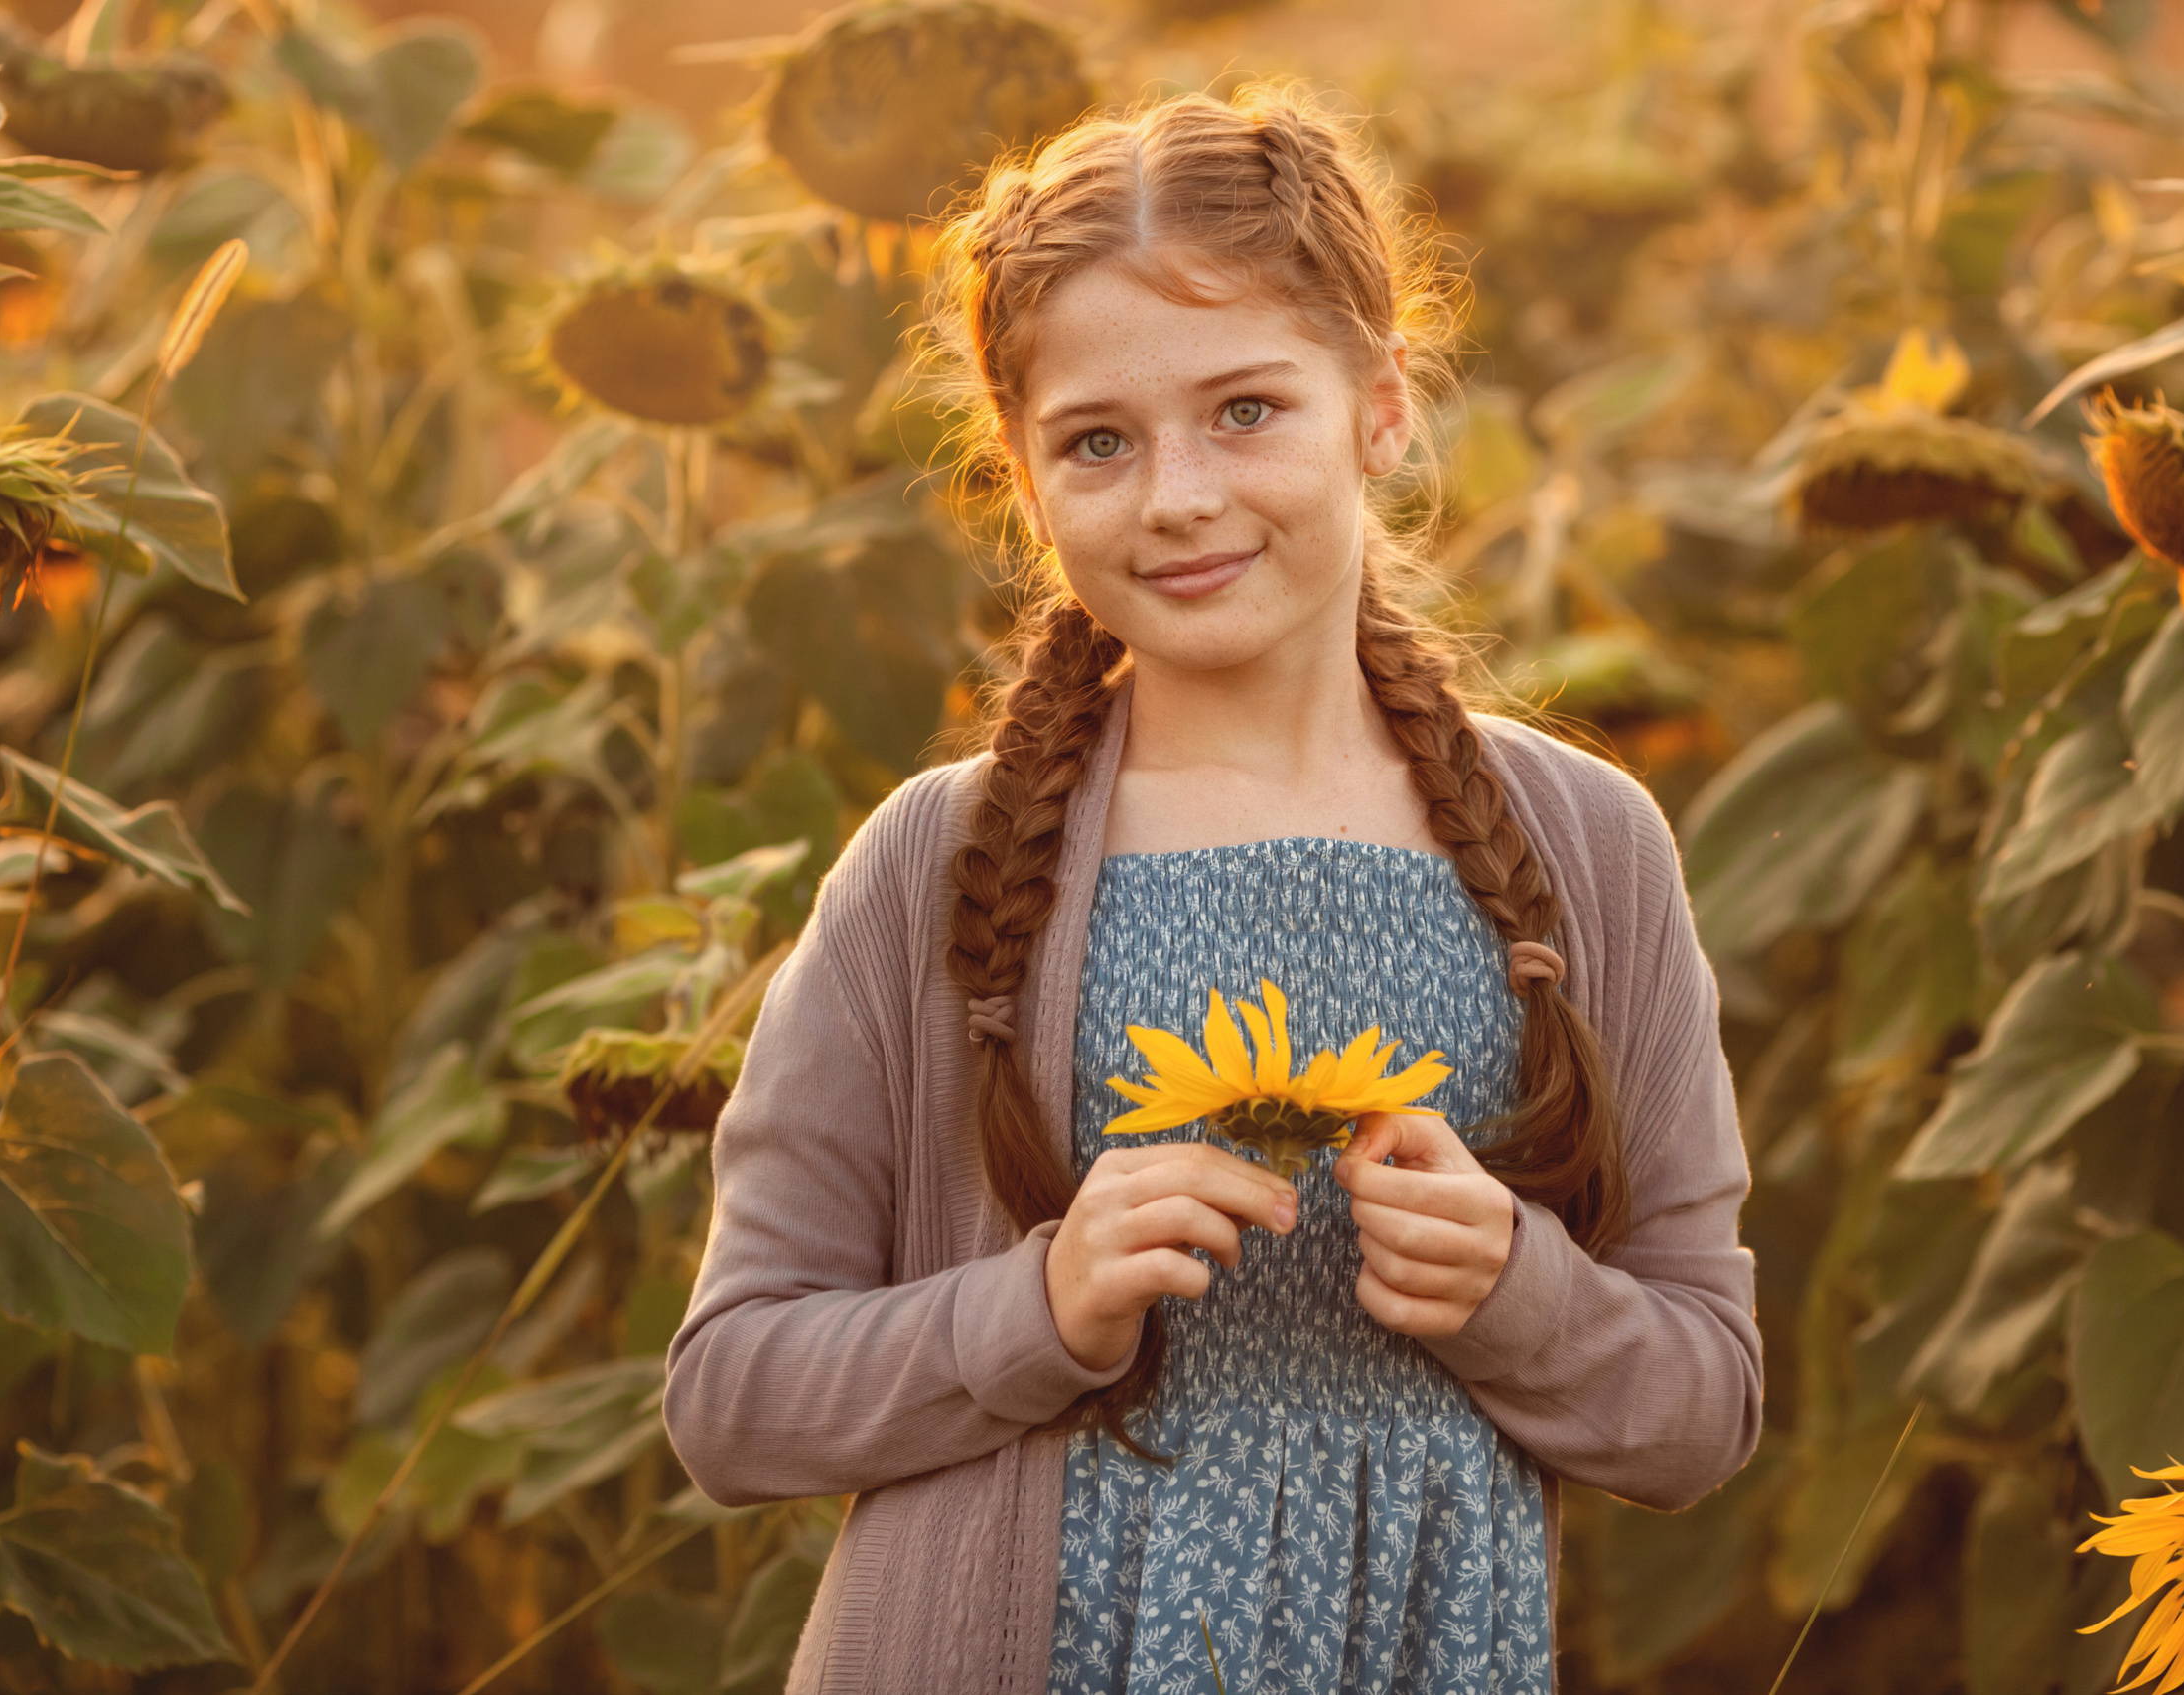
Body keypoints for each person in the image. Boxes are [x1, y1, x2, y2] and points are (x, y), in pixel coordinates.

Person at [663, 84, 1762, 1695]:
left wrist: (1516, 1291)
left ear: (1381, 408)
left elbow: (1701, 1410)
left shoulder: (1586, 848)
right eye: (1099, 442)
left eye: (1247, 410)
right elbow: (732, 1397)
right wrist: (1040, 1303)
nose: (1176, 495)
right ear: (1024, 482)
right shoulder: (943, 864)